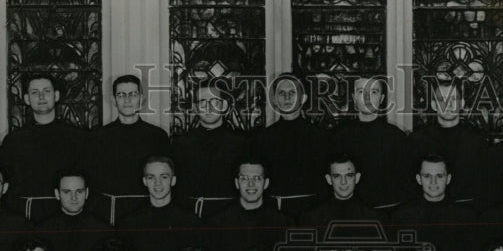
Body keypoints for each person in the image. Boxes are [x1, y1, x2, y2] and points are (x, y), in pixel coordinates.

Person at [0, 73, 89, 220]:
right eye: (35, 92)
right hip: (25, 215)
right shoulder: (13, 140)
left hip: (65, 215)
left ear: (56, 96)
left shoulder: (77, 137)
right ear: (27, 99)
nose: (41, 97)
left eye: (47, 91)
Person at [390, 155, 481, 251]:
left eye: (439, 176)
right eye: (427, 176)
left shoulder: (466, 216)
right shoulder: (402, 216)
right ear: (419, 179)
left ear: (448, 179)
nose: (433, 182)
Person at [87, 74, 170, 223]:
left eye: (133, 94)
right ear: (113, 100)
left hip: (147, 211)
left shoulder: (157, 136)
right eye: (121, 95)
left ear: (141, 98)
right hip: (110, 212)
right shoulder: (98, 136)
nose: (127, 100)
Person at [116, 155, 204, 251]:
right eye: (151, 177)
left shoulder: (190, 221)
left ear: (173, 180)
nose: (158, 183)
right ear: (144, 181)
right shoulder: (128, 222)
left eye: (164, 177)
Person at [206, 157, 293, 251]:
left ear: (266, 183)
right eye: (244, 178)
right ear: (237, 183)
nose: (251, 184)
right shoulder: (217, 223)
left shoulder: (283, 223)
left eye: (257, 178)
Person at [250, 73, 330, 217]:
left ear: (303, 98)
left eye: (292, 92)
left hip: (310, 213)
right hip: (273, 213)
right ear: (274, 99)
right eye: (281, 93)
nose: (287, 98)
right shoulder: (262, 139)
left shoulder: (320, 137)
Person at [170, 81, 252, 217]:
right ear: (195, 108)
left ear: (224, 105)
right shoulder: (181, 143)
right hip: (191, 215)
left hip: (230, 216)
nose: (208, 107)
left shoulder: (240, 143)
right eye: (202, 102)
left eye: (214, 101)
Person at [328, 75, 408, 209]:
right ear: (354, 98)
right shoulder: (340, 136)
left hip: (388, 210)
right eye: (361, 92)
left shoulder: (396, 136)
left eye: (374, 92)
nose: (367, 97)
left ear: (381, 99)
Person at [406, 78, 489, 207]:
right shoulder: (417, 140)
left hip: (465, 213)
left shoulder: (477, 141)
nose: (448, 105)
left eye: (453, 100)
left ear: (461, 104)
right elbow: (411, 183)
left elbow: (484, 185)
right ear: (434, 105)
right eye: (442, 100)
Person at [35, 169, 112, 251]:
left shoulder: (104, 229)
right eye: (67, 192)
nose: (74, 197)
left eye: (79, 191)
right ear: (57, 194)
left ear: (86, 193)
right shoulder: (41, 230)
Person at [298, 154, 387, 234]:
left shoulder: (376, 218)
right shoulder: (310, 220)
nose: (343, 182)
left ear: (357, 178)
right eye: (337, 176)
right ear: (329, 179)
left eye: (349, 175)